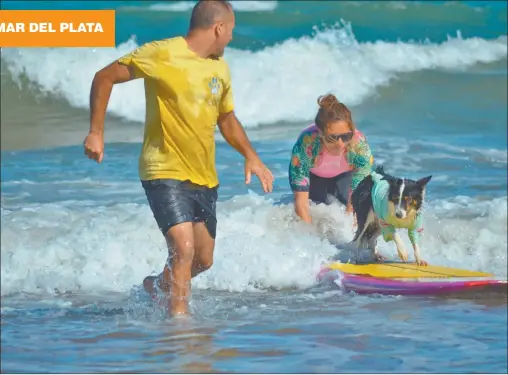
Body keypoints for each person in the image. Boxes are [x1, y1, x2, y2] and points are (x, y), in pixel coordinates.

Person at [83, 0, 274, 316]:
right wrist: (96, 132)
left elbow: (226, 118)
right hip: (163, 168)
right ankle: (179, 326)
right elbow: (104, 77)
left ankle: (158, 285)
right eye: (230, 31)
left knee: (203, 259)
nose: (230, 39)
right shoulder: (162, 53)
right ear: (218, 27)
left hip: (203, 176)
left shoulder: (219, 69)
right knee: (182, 249)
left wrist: (251, 155)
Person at [288, 94, 374, 224]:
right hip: (314, 175)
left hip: (345, 175)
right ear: (320, 133)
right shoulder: (307, 143)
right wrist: (309, 239)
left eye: (346, 136)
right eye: (332, 138)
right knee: (315, 210)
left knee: (348, 211)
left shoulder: (359, 146)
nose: (340, 144)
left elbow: (354, 208)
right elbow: (301, 204)